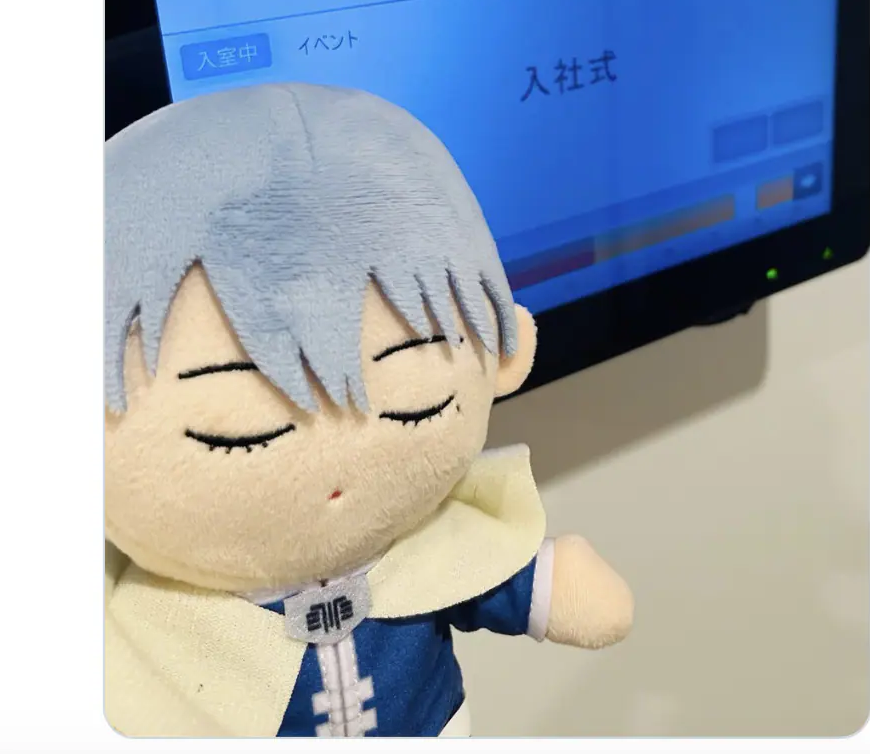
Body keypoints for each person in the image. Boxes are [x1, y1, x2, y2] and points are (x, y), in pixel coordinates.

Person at [105, 82, 633, 737]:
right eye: (240, 434)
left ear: (504, 352)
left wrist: (552, 584)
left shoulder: (429, 548)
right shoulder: (143, 621)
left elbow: (503, 577)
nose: (330, 463)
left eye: (413, 408)